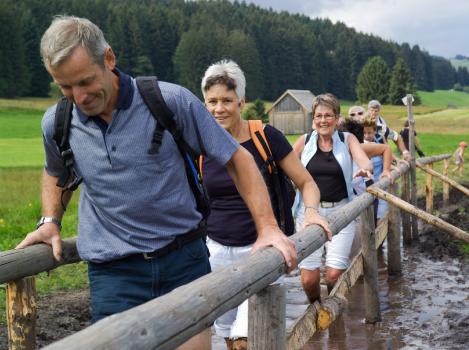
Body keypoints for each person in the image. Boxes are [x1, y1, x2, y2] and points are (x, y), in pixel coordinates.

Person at [15, 16, 296, 350]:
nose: (79, 97)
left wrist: (267, 228)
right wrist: (50, 221)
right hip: (114, 274)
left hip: (184, 262)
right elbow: (56, 170)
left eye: (85, 81)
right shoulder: (58, 122)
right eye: (65, 87)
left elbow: (237, 158)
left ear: (109, 58)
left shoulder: (169, 102)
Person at [200, 60, 331, 350]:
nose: (219, 108)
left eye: (226, 101)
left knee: (247, 338)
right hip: (215, 251)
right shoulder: (199, 145)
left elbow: (306, 182)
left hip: (261, 250)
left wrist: (310, 212)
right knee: (226, 334)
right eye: (212, 101)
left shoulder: (266, 138)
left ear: (241, 102)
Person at [293, 93, 373, 303]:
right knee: (308, 279)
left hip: (340, 212)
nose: (323, 120)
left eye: (328, 115)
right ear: (313, 120)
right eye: (318, 116)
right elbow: (286, 165)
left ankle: (333, 310)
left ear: (337, 119)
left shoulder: (348, 140)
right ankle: (316, 309)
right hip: (308, 213)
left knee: (333, 274)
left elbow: (364, 161)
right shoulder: (305, 141)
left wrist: (365, 169)